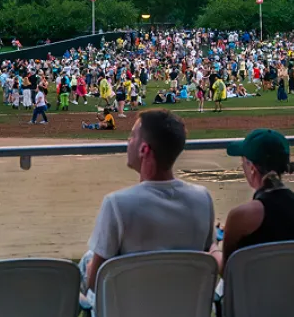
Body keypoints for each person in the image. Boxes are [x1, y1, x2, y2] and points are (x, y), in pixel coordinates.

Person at [82, 110, 214, 305]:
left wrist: (89, 267)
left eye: (132, 136)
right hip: (184, 314)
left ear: (144, 150)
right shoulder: (203, 199)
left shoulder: (117, 204)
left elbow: (95, 282)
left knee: (87, 262)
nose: (128, 141)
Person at [219, 129, 294, 267]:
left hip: (256, 282)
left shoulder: (240, 216)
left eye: (243, 162)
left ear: (252, 168)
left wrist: (213, 248)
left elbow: (227, 270)